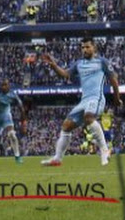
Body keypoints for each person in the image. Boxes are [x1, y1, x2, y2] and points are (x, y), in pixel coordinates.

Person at [41, 37, 122, 166]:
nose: (85, 49)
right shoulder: (79, 64)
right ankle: (57, 158)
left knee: (88, 117)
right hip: (84, 100)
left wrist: (117, 98)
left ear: (94, 47)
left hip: (97, 98)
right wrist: (54, 65)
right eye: (83, 47)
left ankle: (104, 150)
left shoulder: (102, 62)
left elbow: (113, 79)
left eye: (87, 47)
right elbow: (66, 74)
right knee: (66, 126)